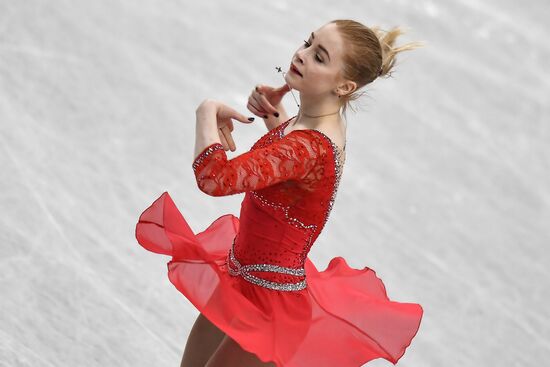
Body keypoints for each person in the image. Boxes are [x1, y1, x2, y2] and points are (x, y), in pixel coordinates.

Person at [135, 19, 424, 367]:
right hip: (242, 283)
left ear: (344, 86)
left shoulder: (309, 147)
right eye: (307, 43)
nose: (301, 55)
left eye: (319, 57)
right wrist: (275, 113)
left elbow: (215, 179)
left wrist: (207, 112)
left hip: (270, 307)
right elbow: (295, 170)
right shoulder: (317, 119)